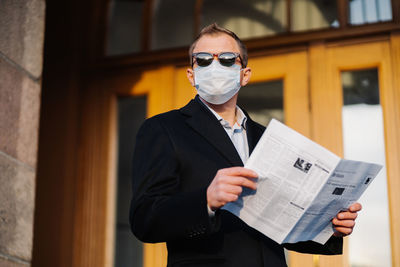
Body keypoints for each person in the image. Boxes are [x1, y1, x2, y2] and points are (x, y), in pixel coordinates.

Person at [129, 23, 361, 267]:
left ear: (245, 74)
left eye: (228, 59)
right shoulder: (164, 129)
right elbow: (145, 218)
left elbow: (281, 223)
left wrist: (329, 229)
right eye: (204, 60)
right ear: (191, 74)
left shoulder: (268, 137)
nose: (215, 66)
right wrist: (205, 200)